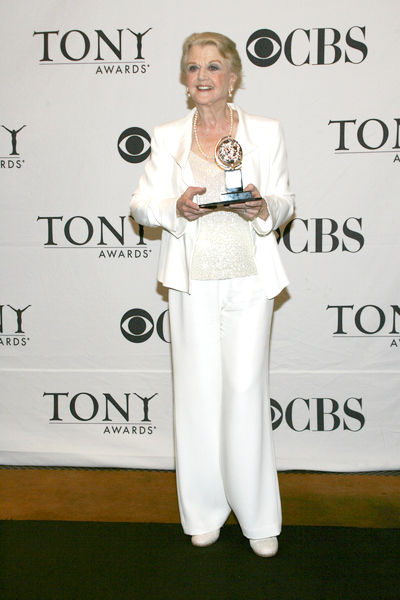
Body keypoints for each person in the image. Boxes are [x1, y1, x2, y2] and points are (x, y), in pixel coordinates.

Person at [130, 32, 294, 557]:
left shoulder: (265, 131)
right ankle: (203, 511)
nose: (202, 76)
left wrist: (263, 206)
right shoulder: (167, 135)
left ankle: (257, 517)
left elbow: (286, 199)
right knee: (198, 393)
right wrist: (172, 207)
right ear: (185, 77)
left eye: (214, 67)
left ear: (234, 77)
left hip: (249, 277)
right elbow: (139, 205)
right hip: (193, 279)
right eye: (194, 67)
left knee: (245, 389)